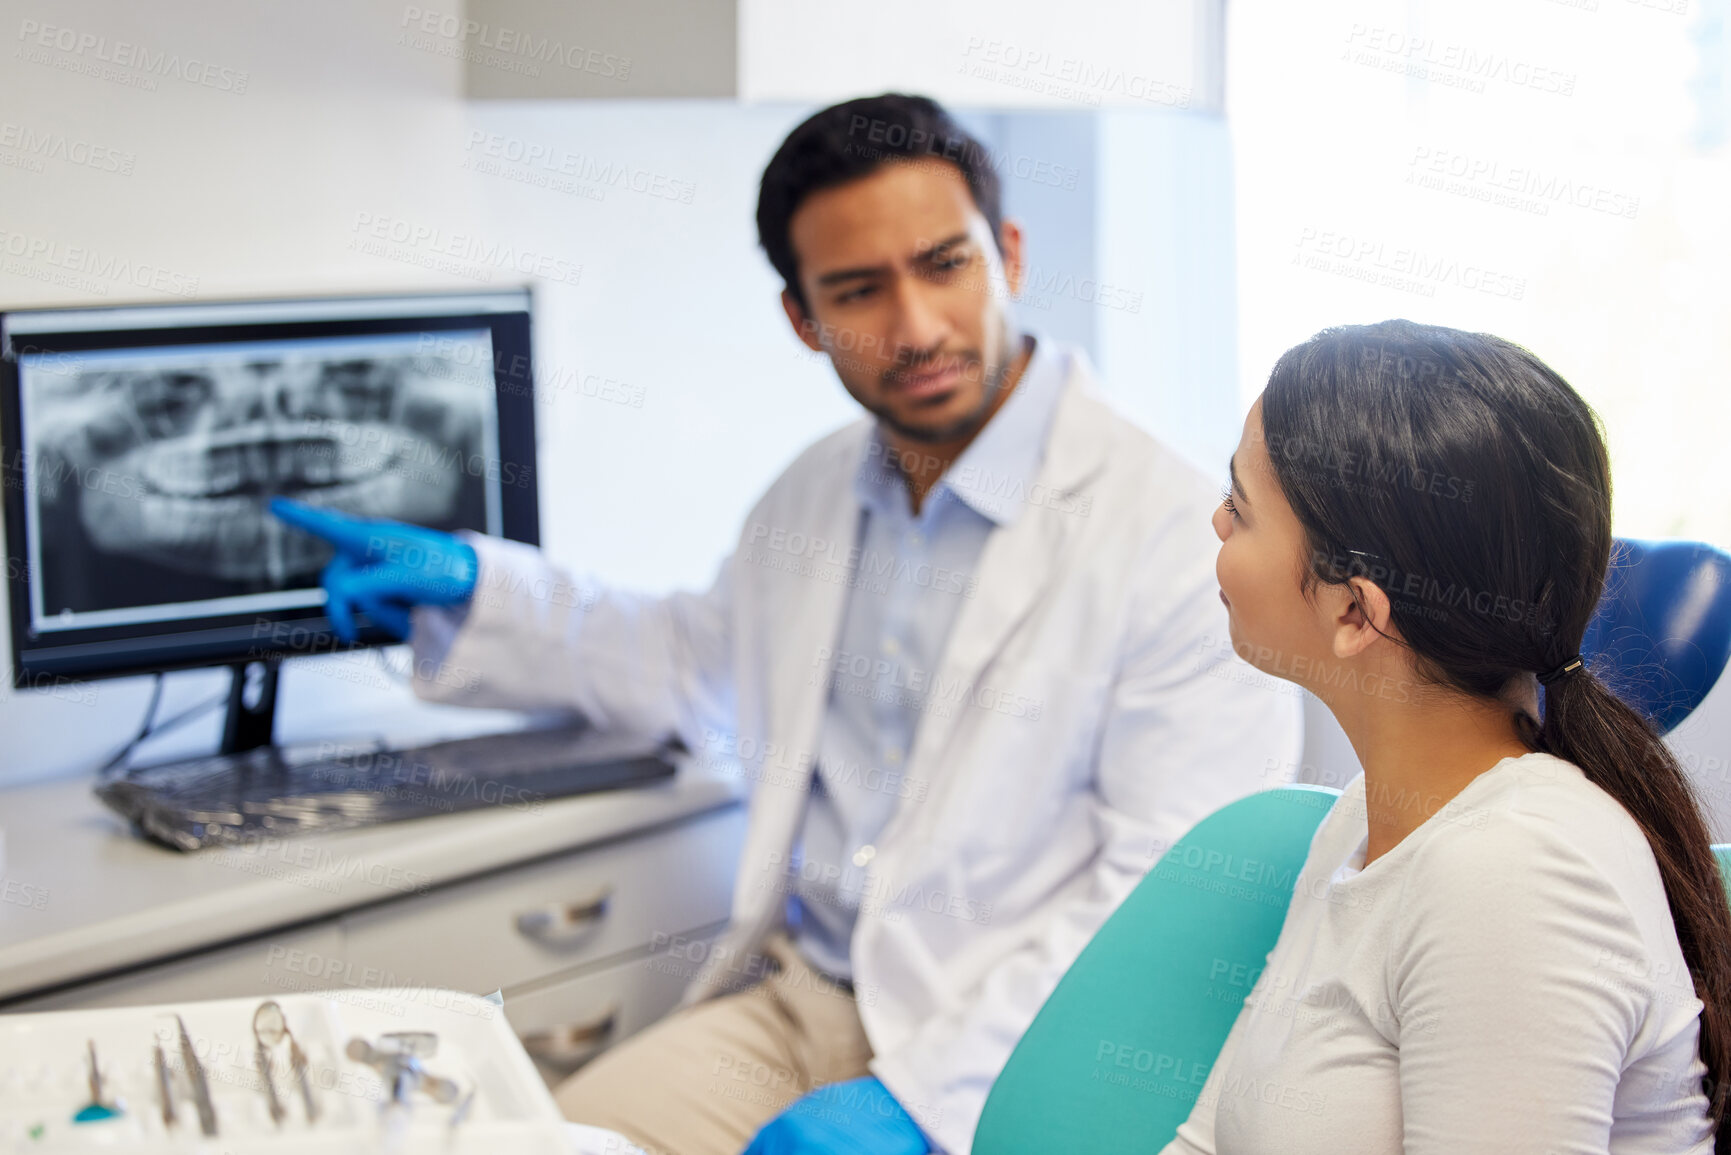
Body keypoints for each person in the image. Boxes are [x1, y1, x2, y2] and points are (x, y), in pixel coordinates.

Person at [272, 92, 1302, 1155]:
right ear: (802, 319)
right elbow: (692, 659)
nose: (914, 328)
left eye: (945, 265)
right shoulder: (812, 499)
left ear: (1010, 256)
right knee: (541, 1141)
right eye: (859, 291)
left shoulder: (1173, 538)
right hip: (806, 1002)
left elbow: (1172, 906)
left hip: (1019, 1038)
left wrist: (926, 1103)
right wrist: (480, 588)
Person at [1164, 319, 1731, 1154]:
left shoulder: (1514, 876)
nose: (1217, 521)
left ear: (1355, 610)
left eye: (1241, 509)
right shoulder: (1368, 816)